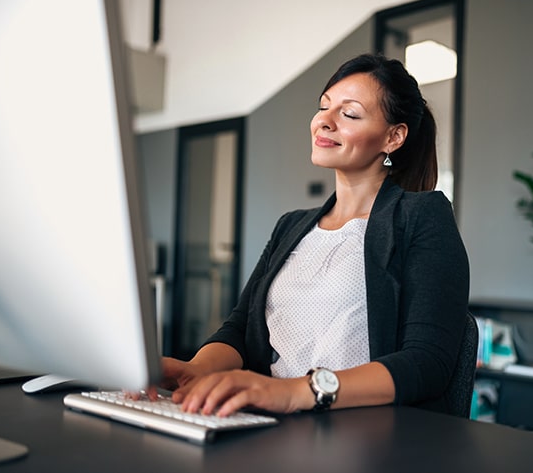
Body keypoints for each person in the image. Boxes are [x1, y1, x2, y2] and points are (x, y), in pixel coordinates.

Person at [153, 53, 470, 417]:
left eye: (348, 113)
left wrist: (296, 391)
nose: (324, 122)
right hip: (270, 423)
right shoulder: (291, 226)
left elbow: (426, 362)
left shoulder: (422, 217)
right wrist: (196, 368)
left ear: (393, 137)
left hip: (365, 432)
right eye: (323, 107)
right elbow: (240, 330)